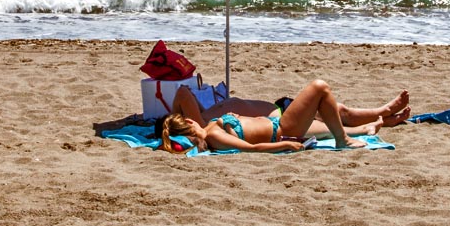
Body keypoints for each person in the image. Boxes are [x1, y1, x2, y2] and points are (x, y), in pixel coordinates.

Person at [161, 79, 382, 153]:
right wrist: (284, 146)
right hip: (283, 130)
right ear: (189, 122)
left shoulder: (211, 127)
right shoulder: (213, 136)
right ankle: (342, 142)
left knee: (328, 129)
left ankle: (366, 128)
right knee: (319, 88)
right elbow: (251, 149)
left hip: (278, 124)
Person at [168, 82, 411, 136]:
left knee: (337, 113)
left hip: (278, 111)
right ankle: (384, 115)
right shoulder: (203, 124)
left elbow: (183, 97)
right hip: (278, 118)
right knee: (335, 117)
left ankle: (384, 114)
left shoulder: (204, 118)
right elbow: (181, 92)